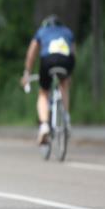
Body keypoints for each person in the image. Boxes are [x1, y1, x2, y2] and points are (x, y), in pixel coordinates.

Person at [21, 15, 75, 144]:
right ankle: (66, 117)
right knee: (64, 85)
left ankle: (44, 125)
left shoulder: (42, 31)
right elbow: (73, 52)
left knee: (43, 92)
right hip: (67, 61)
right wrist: (69, 75)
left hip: (48, 60)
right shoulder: (68, 32)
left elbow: (31, 53)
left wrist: (27, 73)